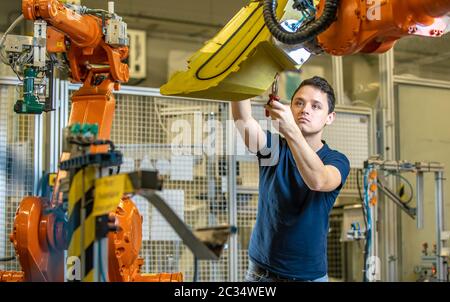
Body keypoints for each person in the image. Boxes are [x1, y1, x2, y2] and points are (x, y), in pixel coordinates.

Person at [231, 76, 350, 282]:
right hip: (259, 272)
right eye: (299, 103)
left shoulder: (337, 160)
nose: (305, 110)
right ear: (290, 108)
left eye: (316, 106)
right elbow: (243, 120)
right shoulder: (273, 149)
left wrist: (290, 130)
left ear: (330, 117)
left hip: (306, 277)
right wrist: (240, 74)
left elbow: (318, 180)